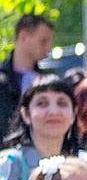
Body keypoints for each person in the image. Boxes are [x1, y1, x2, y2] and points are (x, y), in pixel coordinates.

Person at [0, 72, 78, 180]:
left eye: (62, 103)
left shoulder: (80, 164)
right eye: (42, 104)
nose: (53, 111)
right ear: (26, 114)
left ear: (73, 115)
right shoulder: (10, 162)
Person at [0, 11, 55, 144]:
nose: (48, 49)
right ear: (23, 36)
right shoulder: (2, 82)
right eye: (43, 42)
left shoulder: (49, 80)